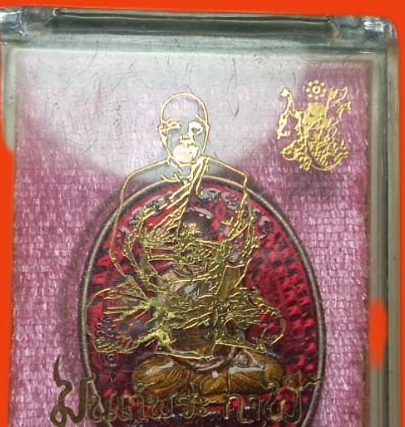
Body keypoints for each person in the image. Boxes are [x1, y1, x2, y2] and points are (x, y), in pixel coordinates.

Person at [88, 92, 284, 399]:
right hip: (178, 360)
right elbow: (123, 254)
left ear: (206, 131)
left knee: (272, 373)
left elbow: (245, 249)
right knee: (145, 379)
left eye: (195, 130)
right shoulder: (140, 185)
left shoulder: (232, 182)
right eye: (176, 129)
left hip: (224, 358)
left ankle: (209, 388)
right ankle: (210, 389)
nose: (186, 138)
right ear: (162, 132)